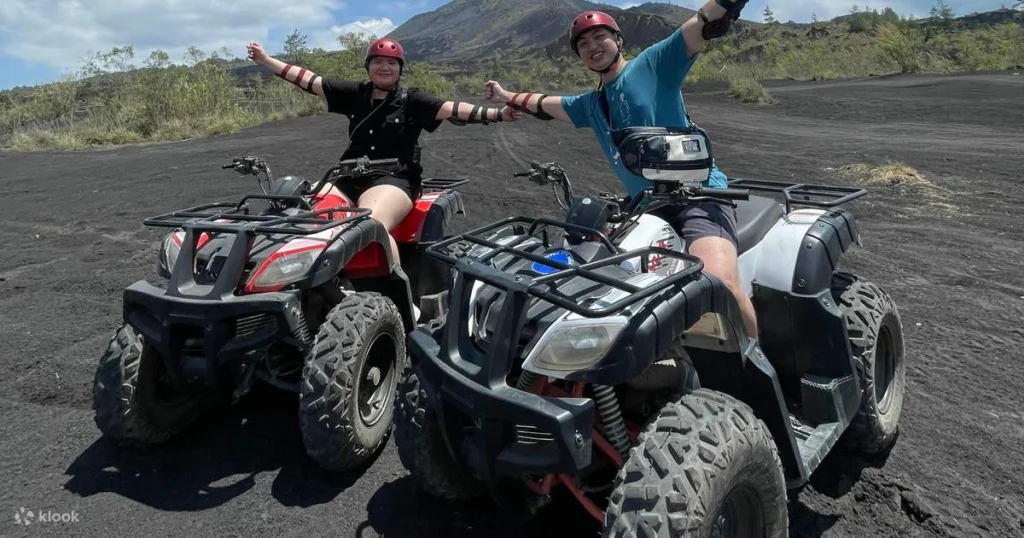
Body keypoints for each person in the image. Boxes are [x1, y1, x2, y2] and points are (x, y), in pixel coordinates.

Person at [482, 2, 760, 340]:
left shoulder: (654, 64)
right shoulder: (590, 104)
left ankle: (754, 365)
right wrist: (506, 95)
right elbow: (544, 103)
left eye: (600, 36)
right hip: (645, 207)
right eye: (582, 44)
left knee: (718, 286)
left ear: (618, 40)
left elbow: (702, 24)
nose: (592, 47)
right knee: (599, 283)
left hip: (700, 196)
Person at [246, 37, 517, 265]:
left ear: (399, 69)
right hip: (347, 177)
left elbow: (453, 109)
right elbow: (310, 80)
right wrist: (267, 60)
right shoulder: (355, 94)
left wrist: (498, 114)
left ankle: (399, 300)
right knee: (300, 215)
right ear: (368, 67)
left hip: (393, 179)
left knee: (369, 224)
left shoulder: (413, 100)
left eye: (391, 63)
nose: (384, 67)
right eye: (377, 61)